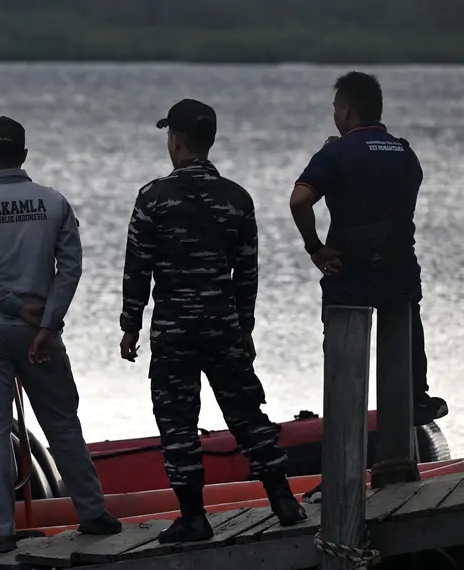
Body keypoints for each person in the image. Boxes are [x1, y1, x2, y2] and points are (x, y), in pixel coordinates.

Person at [120, 99, 307, 544]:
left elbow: (137, 267)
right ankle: (283, 499)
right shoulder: (237, 198)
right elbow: (248, 271)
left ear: (176, 140)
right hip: (223, 326)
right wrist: (244, 327)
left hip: (175, 330)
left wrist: (130, 323)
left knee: (177, 421)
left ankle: (192, 516)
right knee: (246, 412)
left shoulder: (153, 197)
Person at [0, 116, 121, 554]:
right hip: (39, 332)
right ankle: (93, 513)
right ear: (24, 154)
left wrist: (7, 305)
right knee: (62, 423)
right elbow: (71, 269)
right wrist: (47, 324)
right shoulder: (54, 202)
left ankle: (1, 532)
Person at [290, 71, 447, 427]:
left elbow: (300, 200)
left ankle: (345, 425)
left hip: (349, 271)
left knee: (346, 372)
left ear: (346, 110)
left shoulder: (336, 153)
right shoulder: (406, 154)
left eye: (335, 108)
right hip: (398, 271)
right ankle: (415, 404)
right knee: (404, 346)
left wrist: (315, 248)